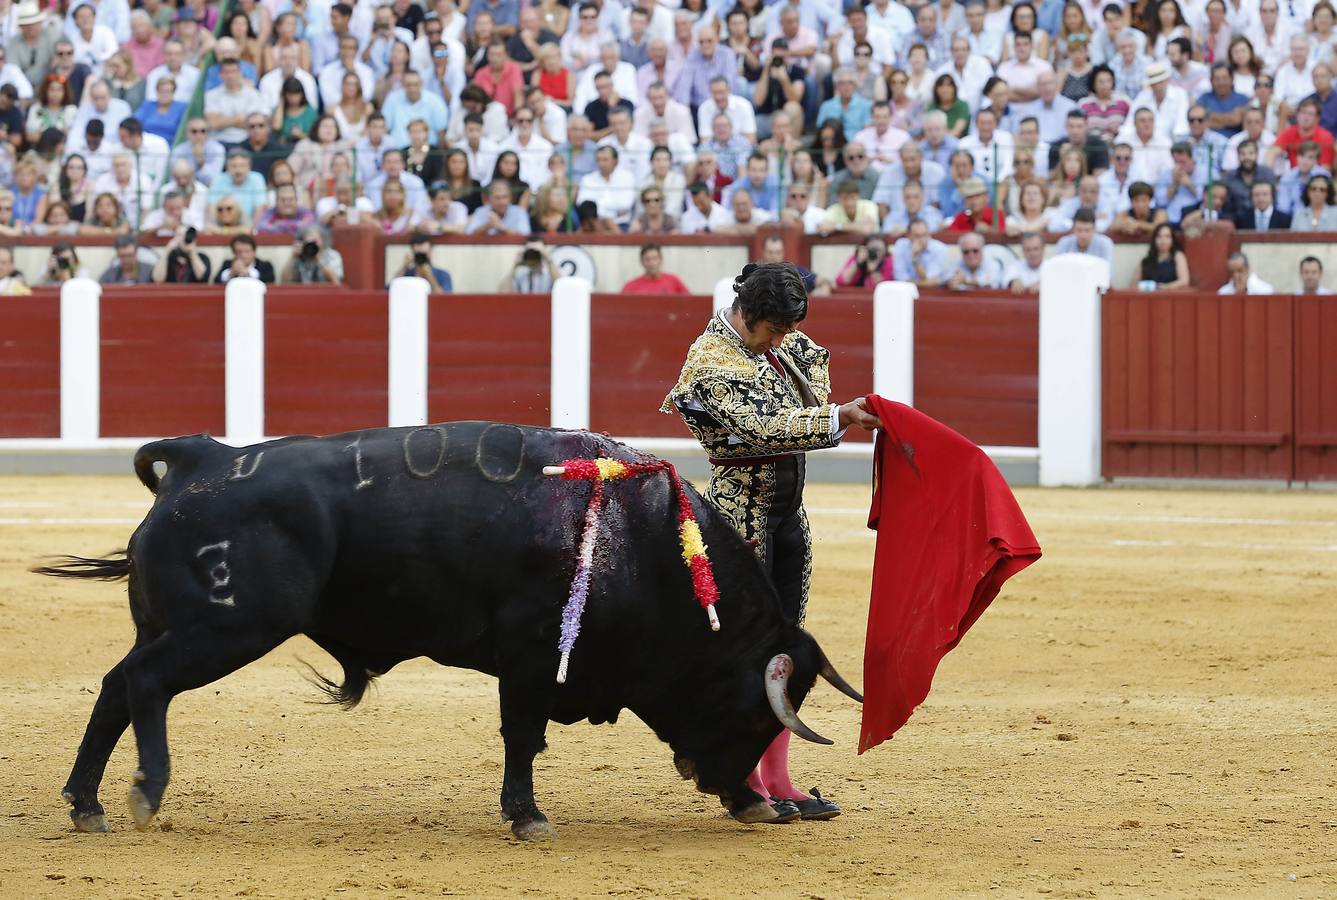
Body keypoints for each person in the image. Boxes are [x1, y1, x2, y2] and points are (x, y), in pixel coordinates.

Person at [661, 261, 881, 825]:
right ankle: (745, 777)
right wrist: (836, 415)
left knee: (785, 646)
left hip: (786, 519)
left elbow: (815, 362)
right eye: (774, 330)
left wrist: (827, 406)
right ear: (750, 314)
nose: (784, 340)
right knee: (745, 652)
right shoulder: (710, 361)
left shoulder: (773, 345)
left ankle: (779, 778)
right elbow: (769, 425)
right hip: (738, 523)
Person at [1136, 222, 1190, 288]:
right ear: (1154, 239)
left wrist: (1166, 287)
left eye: (1167, 236)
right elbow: (1133, 285)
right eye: (1159, 236)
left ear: (1172, 239)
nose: (1163, 240)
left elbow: (1184, 281)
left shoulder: (1177, 256)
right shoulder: (1146, 261)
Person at [622, 243, 690, 293]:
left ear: (661, 259)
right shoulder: (631, 287)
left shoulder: (674, 281)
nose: (652, 263)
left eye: (655, 258)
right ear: (641, 262)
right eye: (647, 259)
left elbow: (690, 303)